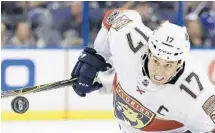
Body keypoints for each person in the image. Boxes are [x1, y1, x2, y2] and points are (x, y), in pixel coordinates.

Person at [71, 9, 215, 133]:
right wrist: (99, 54)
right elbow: (114, 16)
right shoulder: (129, 40)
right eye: (156, 61)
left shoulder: (196, 93)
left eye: (168, 66)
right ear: (148, 52)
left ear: (179, 64)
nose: (158, 72)